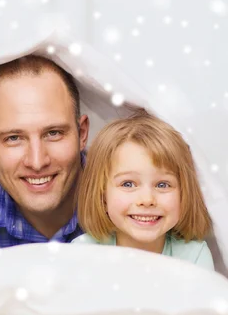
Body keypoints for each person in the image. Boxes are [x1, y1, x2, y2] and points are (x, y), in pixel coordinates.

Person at [0, 55, 89, 252]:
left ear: (82, 133)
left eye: (53, 133)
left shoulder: (135, 201)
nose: (37, 162)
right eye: (14, 138)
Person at [73, 110, 214, 270]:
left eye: (162, 185)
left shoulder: (194, 257)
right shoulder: (83, 252)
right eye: (128, 184)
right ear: (102, 195)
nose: (147, 200)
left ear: (184, 193)